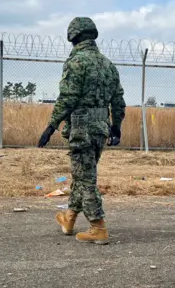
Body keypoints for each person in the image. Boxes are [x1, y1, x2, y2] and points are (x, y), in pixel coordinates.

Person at [37, 16, 126, 245]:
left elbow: (68, 97)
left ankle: (98, 227)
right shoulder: (108, 65)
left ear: (73, 36)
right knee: (82, 173)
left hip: (82, 127)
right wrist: (116, 127)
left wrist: (51, 126)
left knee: (85, 178)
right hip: (101, 128)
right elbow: (118, 99)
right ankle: (69, 218)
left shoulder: (77, 62)